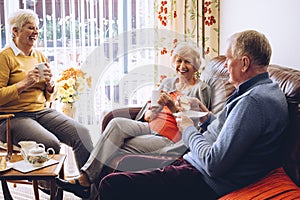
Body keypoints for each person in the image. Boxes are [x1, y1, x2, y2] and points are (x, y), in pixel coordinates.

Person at [96, 30, 289, 200]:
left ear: (244, 63)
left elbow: (213, 163)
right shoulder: (267, 90)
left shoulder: (252, 102)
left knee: (111, 185)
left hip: (203, 178)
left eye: (229, 59)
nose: (227, 64)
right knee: (125, 160)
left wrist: (187, 128)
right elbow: (233, 131)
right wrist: (207, 117)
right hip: (194, 162)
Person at [55, 42, 212, 199]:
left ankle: (87, 185)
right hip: (150, 127)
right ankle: (88, 183)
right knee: (116, 124)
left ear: (196, 65)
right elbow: (148, 114)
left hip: (171, 139)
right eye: (179, 61)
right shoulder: (168, 83)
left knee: (111, 146)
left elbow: (197, 124)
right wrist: (151, 111)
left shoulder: (201, 89)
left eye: (187, 61)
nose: (182, 66)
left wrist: (173, 108)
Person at [0, 9, 94, 191]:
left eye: (36, 28)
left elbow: (50, 95)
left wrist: (50, 87)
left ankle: (88, 186)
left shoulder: (39, 56)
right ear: (15, 31)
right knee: (50, 143)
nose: (35, 32)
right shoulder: (4, 58)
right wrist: (24, 83)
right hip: (13, 117)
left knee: (81, 134)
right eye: (30, 28)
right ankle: (51, 188)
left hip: (41, 111)